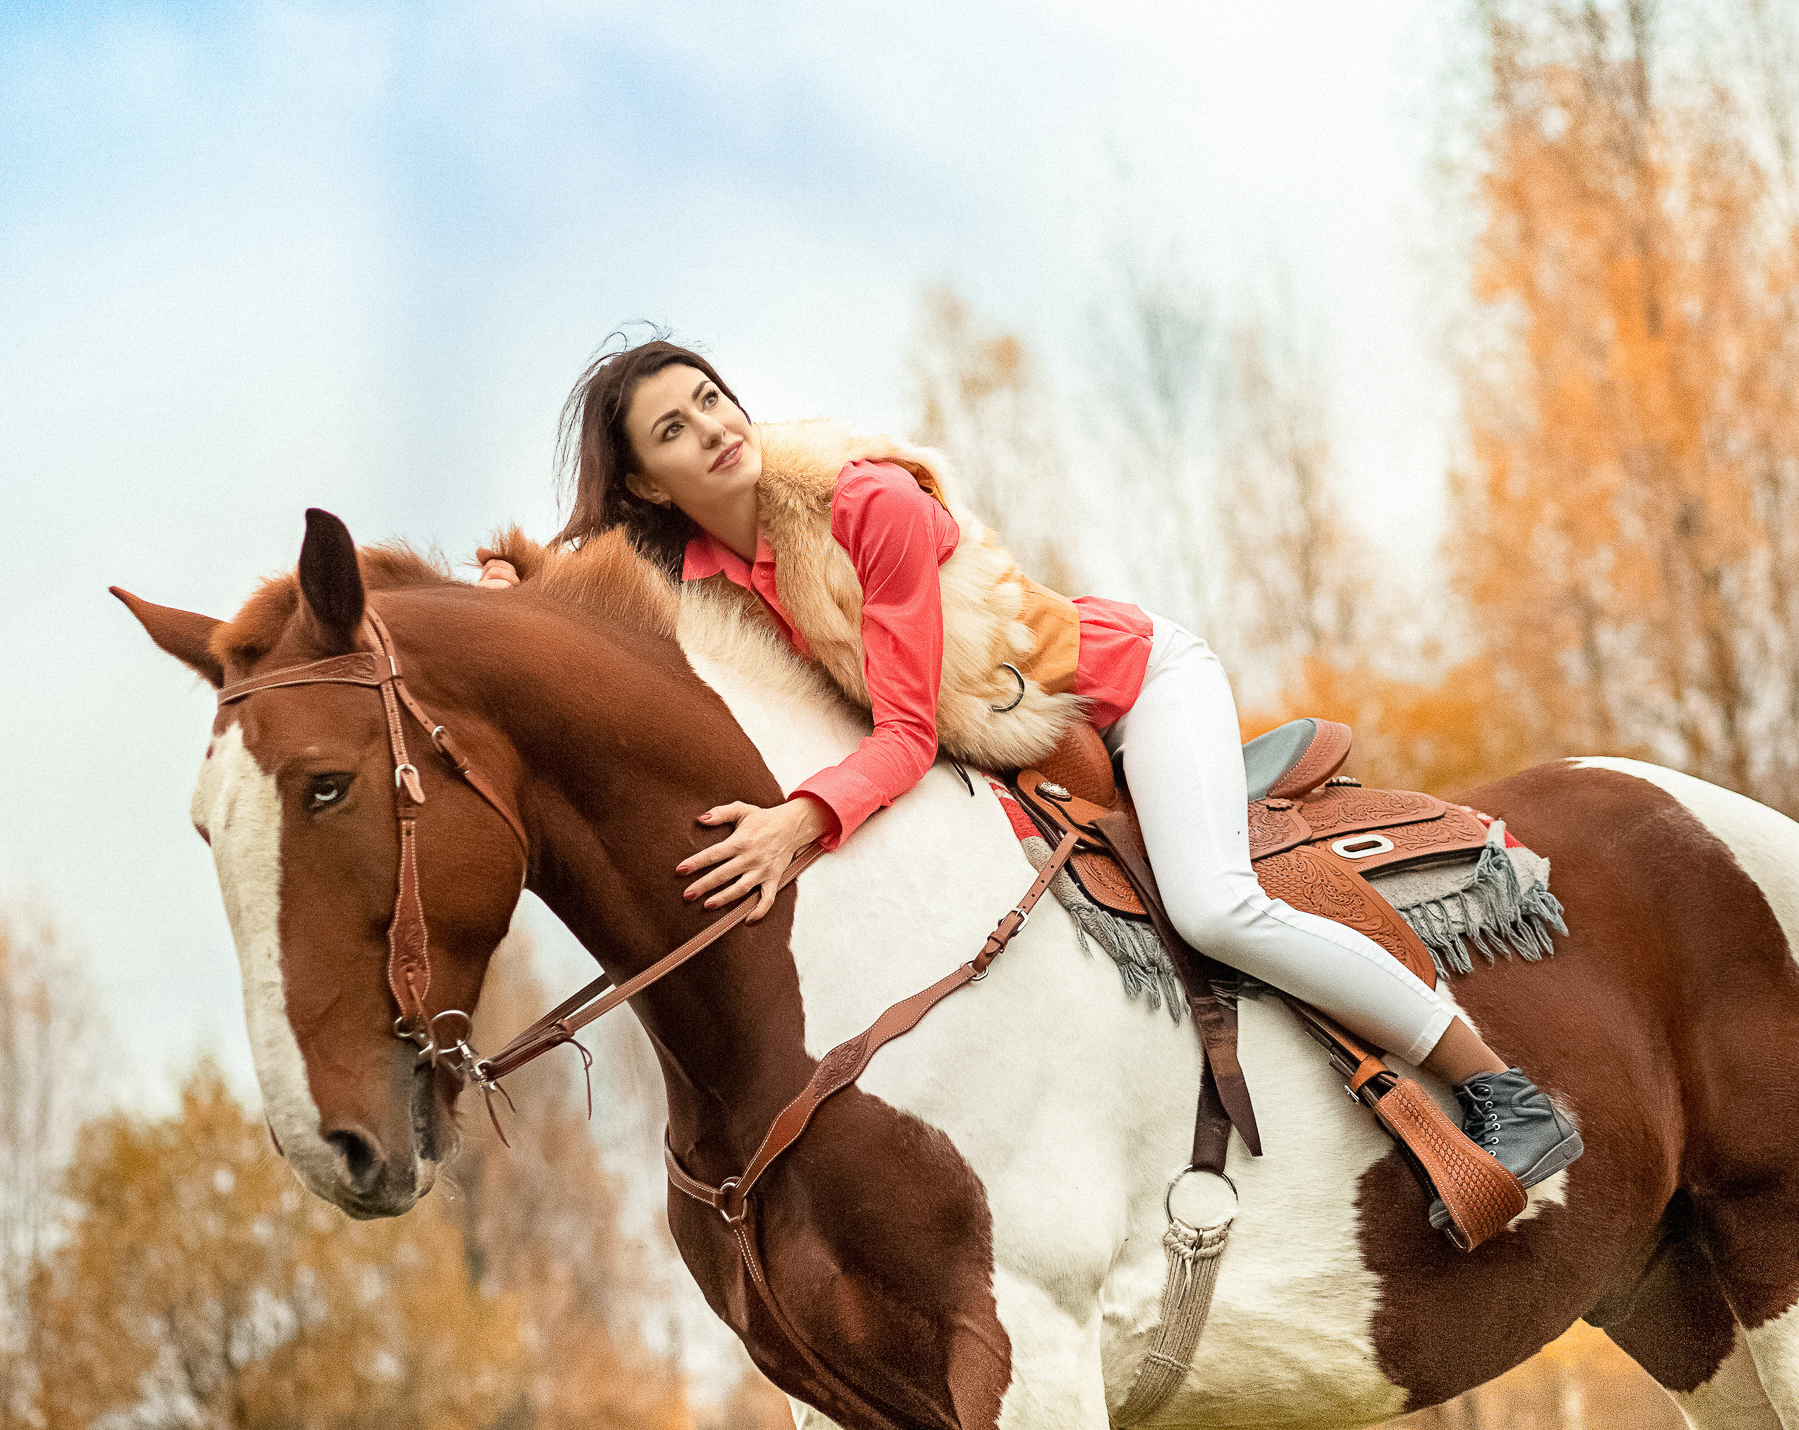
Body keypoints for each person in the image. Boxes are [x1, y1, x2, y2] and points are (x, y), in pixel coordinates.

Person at [518, 338, 1580, 1223]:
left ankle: (1502, 1088)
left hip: (1127, 694)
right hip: (1008, 752)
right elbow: (610, 619)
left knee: (1214, 907)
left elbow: (904, 730)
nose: (713, 426)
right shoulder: (699, 571)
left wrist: (801, 821)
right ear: (652, 484)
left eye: (711, 397)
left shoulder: (863, 505)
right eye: (675, 429)